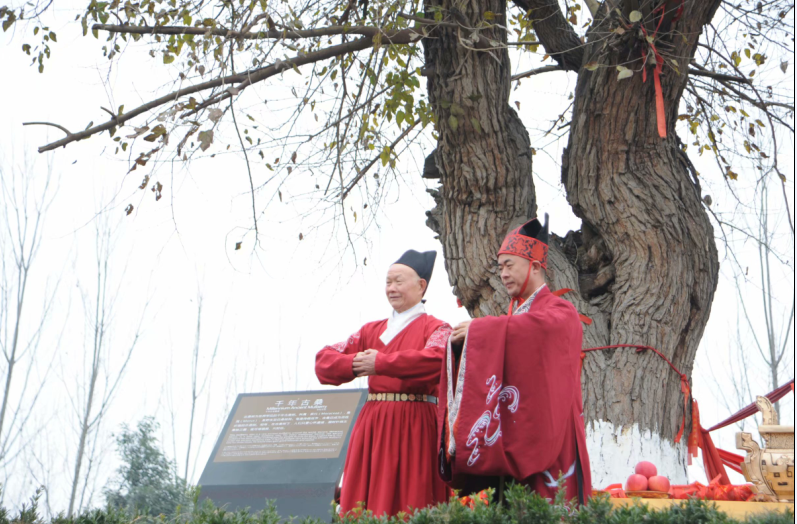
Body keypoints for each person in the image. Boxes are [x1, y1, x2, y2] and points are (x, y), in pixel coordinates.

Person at [438, 215, 592, 504]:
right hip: (516, 432)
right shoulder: (514, 317)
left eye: (509, 265)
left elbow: (539, 329)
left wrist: (480, 330)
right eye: (500, 267)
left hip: (552, 429)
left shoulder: (560, 311)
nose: (503, 274)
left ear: (534, 266)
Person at [315, 250, 451, 517]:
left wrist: (382, 364)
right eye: (388, 282)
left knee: (413, 497)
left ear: (421, 285)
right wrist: (355, 364)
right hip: (373, 424)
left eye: (398, 281)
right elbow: (324, 361)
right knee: (363, 500)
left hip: (416, 423)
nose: (391, 288)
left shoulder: (437, 328)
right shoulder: (370, 331)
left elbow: (437, 361)